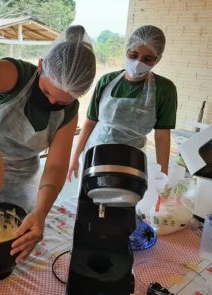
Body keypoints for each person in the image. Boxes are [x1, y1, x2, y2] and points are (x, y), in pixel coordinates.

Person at [0, 25, 96, 263]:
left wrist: (41, 212)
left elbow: (55, 166)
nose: (52, 102)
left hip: (20, 183)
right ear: (41, 65)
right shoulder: (18, 75)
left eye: (61, 102)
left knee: (11, 245)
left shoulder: (70, 112)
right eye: (46, 92)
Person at [68, 25, 177, 183]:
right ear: (126, 50)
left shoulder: (164, 89)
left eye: (148, 59)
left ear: (158, 59)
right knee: (91, 199)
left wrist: (162, 174)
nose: (138, 62)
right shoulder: (107, 81)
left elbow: (162, 136)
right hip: (95, 153)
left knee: (124, 198)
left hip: (131, 159)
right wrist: (75, 157)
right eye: (133, 54)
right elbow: (90, 122)